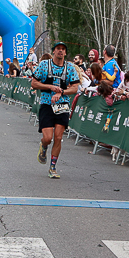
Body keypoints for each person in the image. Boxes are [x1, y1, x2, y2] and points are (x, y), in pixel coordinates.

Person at [30, 41, 80, 179]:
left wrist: (61, 92)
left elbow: (75, 88)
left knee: (58, 137)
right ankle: (44, 145)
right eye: (58, 48)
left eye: (63, 49)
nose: (60, 51)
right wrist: (50, 87)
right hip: (46, 104)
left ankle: (52, 167)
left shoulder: (70, 68)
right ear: (54, 51)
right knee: (48, 138)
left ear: (65, 52)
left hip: (62, 105)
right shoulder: (44, 65)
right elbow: (34, 83)